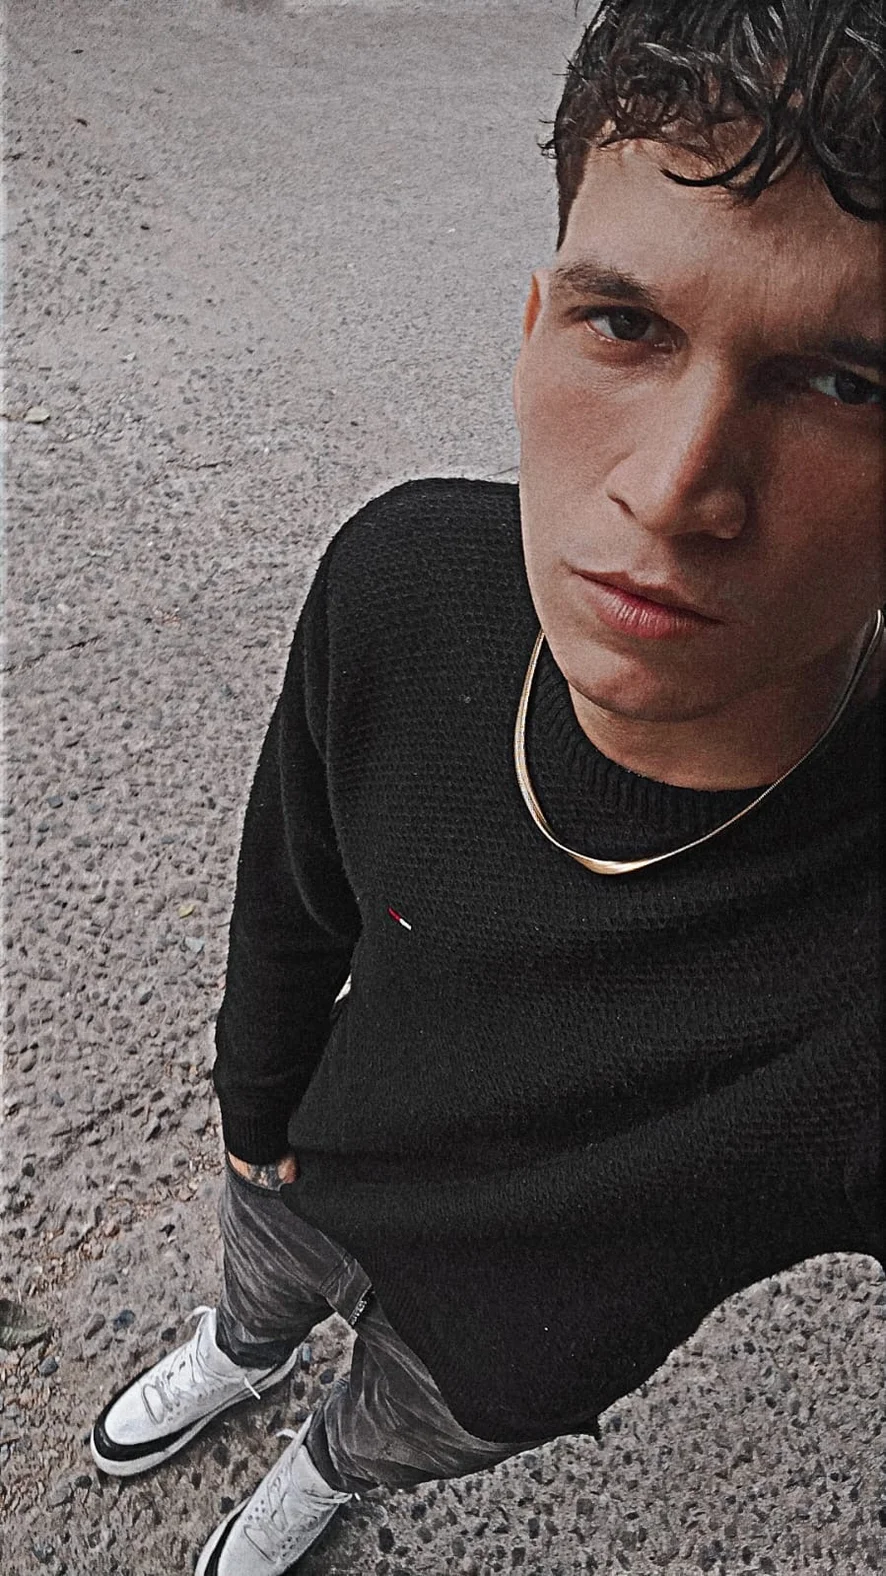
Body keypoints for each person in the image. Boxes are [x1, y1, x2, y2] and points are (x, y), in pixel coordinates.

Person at [89, 2, 884, 1571]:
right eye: (625, 324)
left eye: (847, 387)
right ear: (530, 332)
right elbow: (290, 892)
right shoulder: (404, 585)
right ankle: (243, 1351)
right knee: (258, 1293)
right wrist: (253, 1112)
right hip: (313, 1155)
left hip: (513, 1347)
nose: (673, 488)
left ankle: (326, 1467)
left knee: (383, 1430)